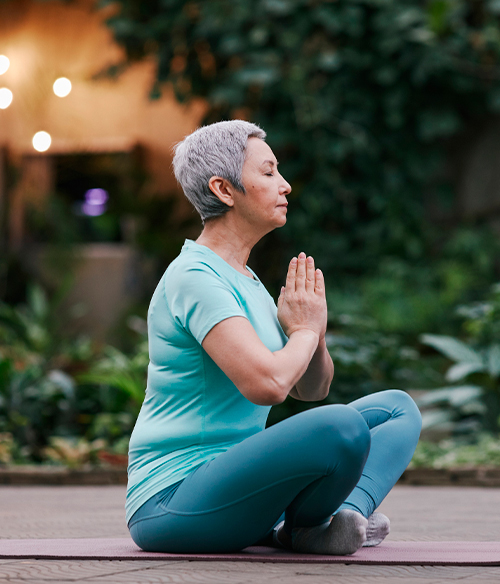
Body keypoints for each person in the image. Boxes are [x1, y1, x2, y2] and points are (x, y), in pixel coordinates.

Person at [126, 120, 422, 555]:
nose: (284, 186)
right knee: (341, 426)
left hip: (238, 491)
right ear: (224, 190)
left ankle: (333, 522)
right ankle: (305, 527)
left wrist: (314, 331)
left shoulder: (245, 279)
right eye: (268, 173)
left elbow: (311, 388)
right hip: (173, 500)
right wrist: (301, 330)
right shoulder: (194, 277)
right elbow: (267, 386)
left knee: (397, 409)